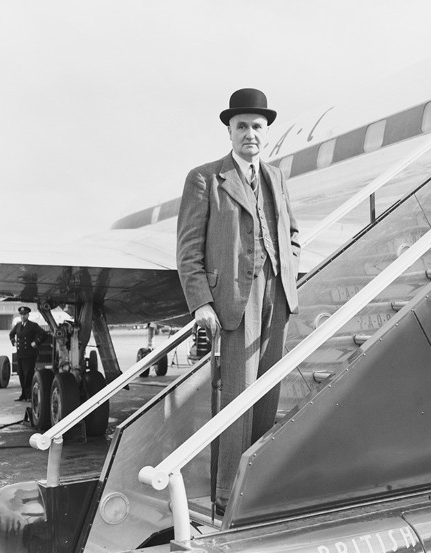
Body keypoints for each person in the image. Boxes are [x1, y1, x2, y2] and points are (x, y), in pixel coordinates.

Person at [176, 88, 300, 514]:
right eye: (242, 126)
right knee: (236, 399)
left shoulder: (277, 178)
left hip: (276, 297)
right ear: (229, 131)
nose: (250, 133)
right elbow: (188, 251)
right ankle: (228, 496)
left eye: (257, 127)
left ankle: (257, 487)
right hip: (232, 300)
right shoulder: (205, 178)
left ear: (266, 133)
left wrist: (287, 275)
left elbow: (293, 235)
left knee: (268, 394)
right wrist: (201, 304)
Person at [8, 306, 46, 401]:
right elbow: (11, 334)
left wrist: (36, 342)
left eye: (24, 314)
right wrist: (14, 342)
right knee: (21, 375)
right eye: (21, 314)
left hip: (29, 355)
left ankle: (29, 395)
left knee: (28, 375)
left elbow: (43, 334)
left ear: (28, 315)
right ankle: (23, 394)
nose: (23, 316)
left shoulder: (33, 325)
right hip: (20, 354)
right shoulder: (18, 325)